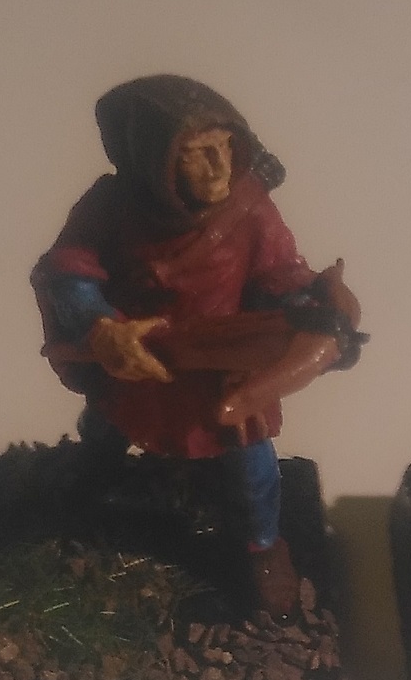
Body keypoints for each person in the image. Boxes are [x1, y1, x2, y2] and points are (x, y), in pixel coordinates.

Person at [32, 74, 347, 615]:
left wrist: (308, 306)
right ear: (156, 158)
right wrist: (102, 328)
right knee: (106, 424)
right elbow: (68, 271)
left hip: (219, 364)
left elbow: (279, 273)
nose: (219, 166)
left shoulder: (250, 208)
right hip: (138, 356)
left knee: (251, 463)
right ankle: (89, 479)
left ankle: (261, 546)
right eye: (196, 153)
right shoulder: (111, 205)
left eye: (224, 147)